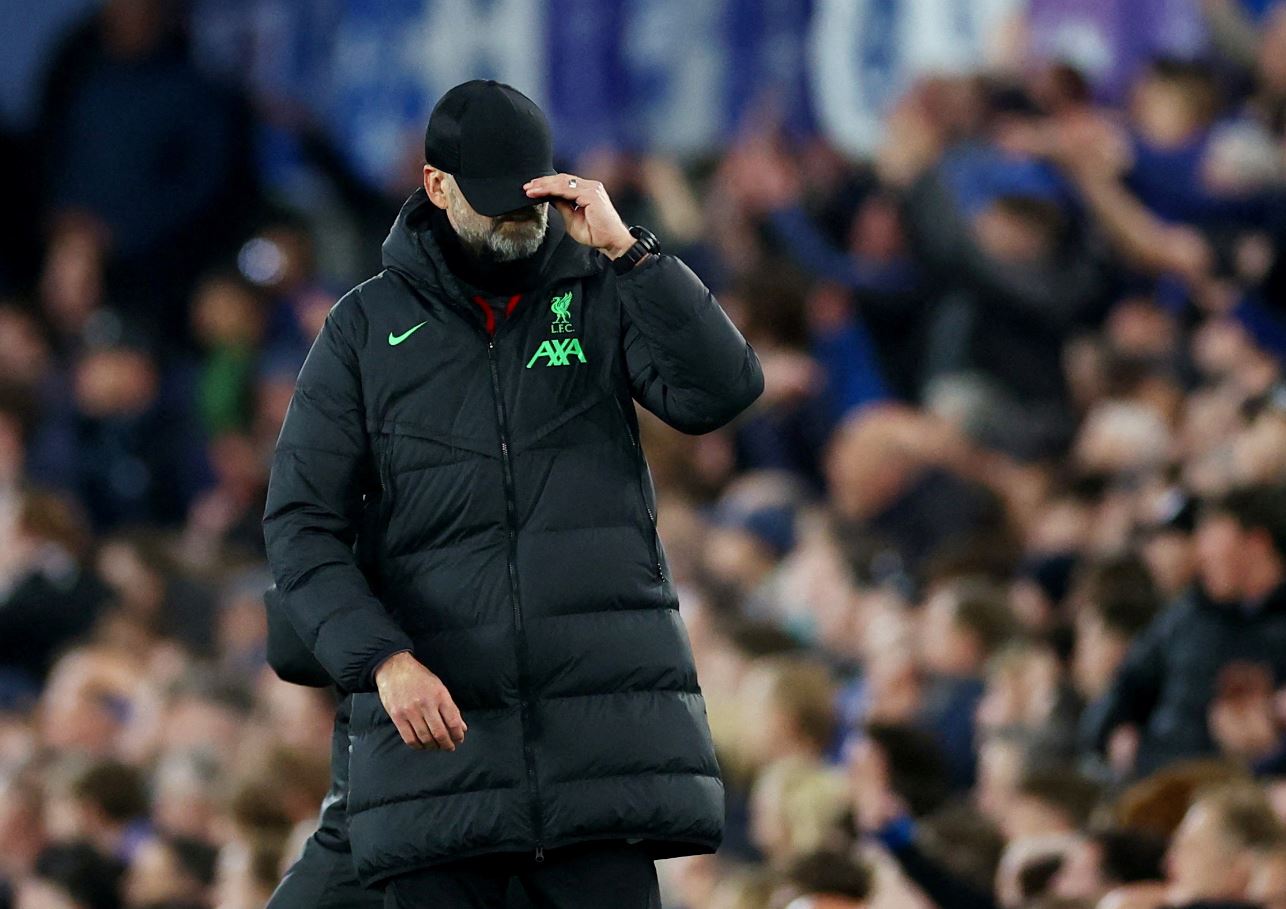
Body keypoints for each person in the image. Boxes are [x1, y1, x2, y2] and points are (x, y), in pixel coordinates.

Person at [262, 80, 763, 908]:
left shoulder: (600, 285)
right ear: (435, 186)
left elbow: (722, 391)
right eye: (494, 200)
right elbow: (300, 527)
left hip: (597, 766)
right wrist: (382, 661)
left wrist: (631, 253)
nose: (519, 219)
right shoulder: (363, 330)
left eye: (529, 197)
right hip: (440, 773)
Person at [1083, 484, 1286, 775]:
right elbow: (1126, 685)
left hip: (1243, 782)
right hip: (1157, 773)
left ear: (1256, 543)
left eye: (1213, 539)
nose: (1201, 554)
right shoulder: (1187, 614)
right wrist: (1115, 731)